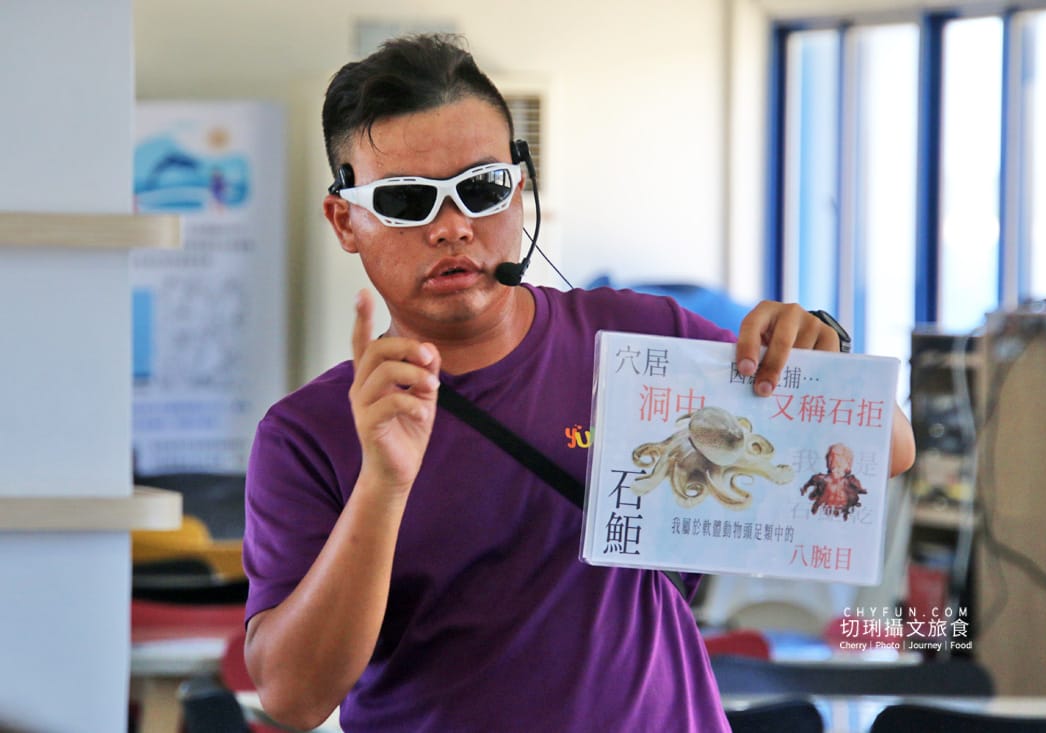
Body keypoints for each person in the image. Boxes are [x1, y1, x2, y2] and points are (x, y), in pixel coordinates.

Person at [241, 33, 916, 732]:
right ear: (345, 219)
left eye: (481, 189)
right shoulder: (310, 432)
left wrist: (824, 357)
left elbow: (888, 452)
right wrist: (382, 486)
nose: (453, 228)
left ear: (521, 187)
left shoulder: (637, 341)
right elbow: (293, 696)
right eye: (407, 201)